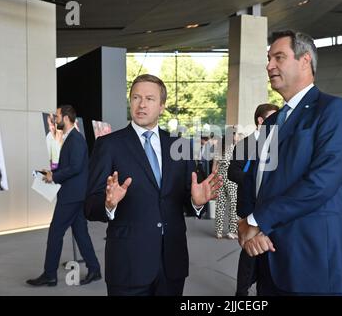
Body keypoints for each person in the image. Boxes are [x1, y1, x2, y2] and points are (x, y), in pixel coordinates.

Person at [238, 30, 342, 295]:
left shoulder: (333, 110)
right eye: (269, 58)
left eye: (278, 57)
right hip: (267, 258)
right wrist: (245, 223)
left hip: (313, 264)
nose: (269, 65)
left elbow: (322, 183)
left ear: (305, 60)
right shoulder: (271, 123)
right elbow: (254, 177)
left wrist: (257, 220)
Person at [85, 74, 222, 296]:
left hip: (172, 264)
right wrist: (108, 204)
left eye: (149, 98)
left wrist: (196, 203)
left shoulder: (180, 146)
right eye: (136, 97)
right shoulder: (108, 145)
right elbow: (90, 206)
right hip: (128, 265)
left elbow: (187, 201)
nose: (141, 104)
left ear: (162, 106)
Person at [27, 105, 101, 287]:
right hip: (74, 194)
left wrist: (56, 176)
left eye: (58, 116)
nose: (55, 119)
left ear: (66, 118)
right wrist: (51, 173)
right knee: (81, 233)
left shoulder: (75, 139)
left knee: (55, 233)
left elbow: (76, 167)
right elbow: (71, 165)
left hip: (72, 196)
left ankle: (50, 275)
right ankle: (95, 269)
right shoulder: (71, 138)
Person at [228, 103, 279, 296]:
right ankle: (241, 293)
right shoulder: (245, 144)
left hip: (270, 207)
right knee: (249, 253)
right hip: (249, 205)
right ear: (261, 120)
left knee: (267, 251)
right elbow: (233, 172)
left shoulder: (277, 144)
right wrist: (255, 180)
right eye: (273, 118)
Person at [213, 126, 239, 239]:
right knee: (233, 205)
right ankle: (232, 231)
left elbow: (214, 168)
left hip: (220, 179)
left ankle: (218, 231)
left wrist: (214, 179)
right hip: (231, 180)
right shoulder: (234, 148)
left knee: (220, 205)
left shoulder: (220, 148)